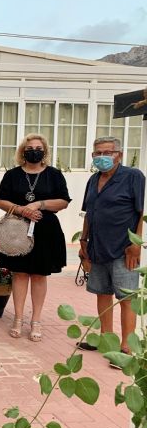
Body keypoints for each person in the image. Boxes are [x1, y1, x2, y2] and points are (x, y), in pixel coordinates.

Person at [0, 134, 71, 342]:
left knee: (39, 275)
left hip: (46, 231)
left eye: (38, 148)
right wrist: (21, 209)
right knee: (19, 274)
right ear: (22, 151)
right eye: (29, 148)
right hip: (17, 230)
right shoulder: (12, 175)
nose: (34, 151)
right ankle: (18, 318)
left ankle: (36, 320)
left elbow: (64, 201)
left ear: (44, 151)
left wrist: (40, 204)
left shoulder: (54, 174)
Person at [79, 136, 144, 367]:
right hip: (97, 247)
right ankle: (106, 340)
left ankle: (126, 348)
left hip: (123, 249)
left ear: (119, 155)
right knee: (102, 293)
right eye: (97, 153)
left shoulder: (133, 177)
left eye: (107, 152)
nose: (102, 157)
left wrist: (136, 244)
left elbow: (141, 212)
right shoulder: (93, 180)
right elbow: (89, 213)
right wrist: (83, 240)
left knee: (126, 298)